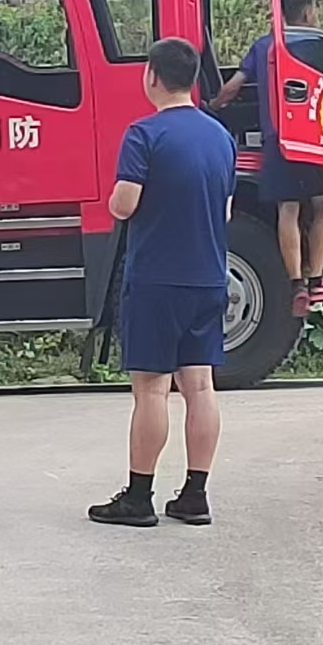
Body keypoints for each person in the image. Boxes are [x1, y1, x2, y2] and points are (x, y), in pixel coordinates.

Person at [91, 38, 237, 528]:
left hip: (157, 279)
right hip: (209, 277)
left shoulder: (143, 134)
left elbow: (125, 204)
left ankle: (138, 496)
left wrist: (114, 199)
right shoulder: (220, 137)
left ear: (152, 76)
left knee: (151, 390)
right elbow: (226, 208)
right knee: (199, 386)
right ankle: (195, 494)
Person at [208, 0, 323, 317]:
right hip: (315, 140)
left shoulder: (264, 46)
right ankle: (316, 280)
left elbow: (233, 86)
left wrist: (212, 106)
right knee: (322, 207)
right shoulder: (320, 46)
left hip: (278, 140)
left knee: (288, 210)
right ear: (309, 13)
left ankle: (295, 282)